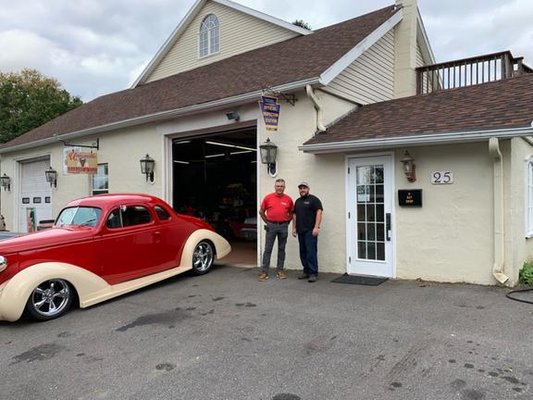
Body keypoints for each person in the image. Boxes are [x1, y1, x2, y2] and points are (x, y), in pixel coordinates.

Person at [258, 178, 294, 281]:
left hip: (283, 226)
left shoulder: (288, 199)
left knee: (281, 249)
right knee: (268, 249)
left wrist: (287, 222)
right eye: (278, 186)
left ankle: (280, 271)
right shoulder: (268, 198)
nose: (279, 188)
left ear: (284, 187)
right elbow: (261, 212)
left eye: (281, 186)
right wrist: (268, 222)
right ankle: (264, 272)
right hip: (271, 226)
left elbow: (291, 213)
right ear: (275, 187)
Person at [292, 181, 323, 282]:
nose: (302, 190)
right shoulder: (297, 201)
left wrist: (316, 227)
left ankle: (313, 273)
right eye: (300, 188)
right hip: (301, 231)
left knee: (311, 252)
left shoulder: (314, 200)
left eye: (304, 188)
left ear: (308, 189)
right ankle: (306, 271)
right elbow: (295, 215)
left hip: (310, 231)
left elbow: (319, 212)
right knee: (303, 252)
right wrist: (294, 228)